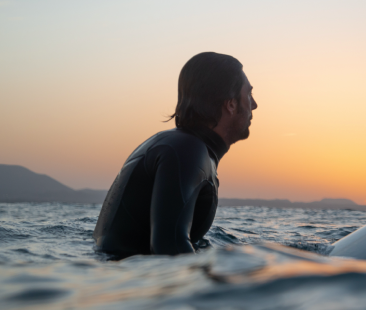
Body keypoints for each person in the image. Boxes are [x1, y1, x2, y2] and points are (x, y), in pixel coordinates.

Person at [93, 52, 257, 257]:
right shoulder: (188, 151)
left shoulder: (179, 145)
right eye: (249, 94)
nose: (254, 104)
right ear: (230, 104)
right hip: (133, 284)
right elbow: (169, 247)